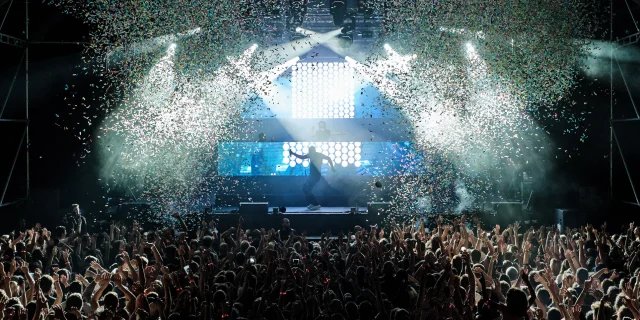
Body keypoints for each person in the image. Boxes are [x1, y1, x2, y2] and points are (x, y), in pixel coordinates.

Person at [289, 146, 336, 210]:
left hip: (315, 176)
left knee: (307, 189)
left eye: (310, 151)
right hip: (312, 175)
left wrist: (332, 167)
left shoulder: (317, 155)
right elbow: (302, 157)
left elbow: (328, 158)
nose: (310, 152)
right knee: (305, 189)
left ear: (313, 150)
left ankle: (316, 204)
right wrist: (332, 167)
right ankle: (313, 203)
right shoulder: (313, 154)